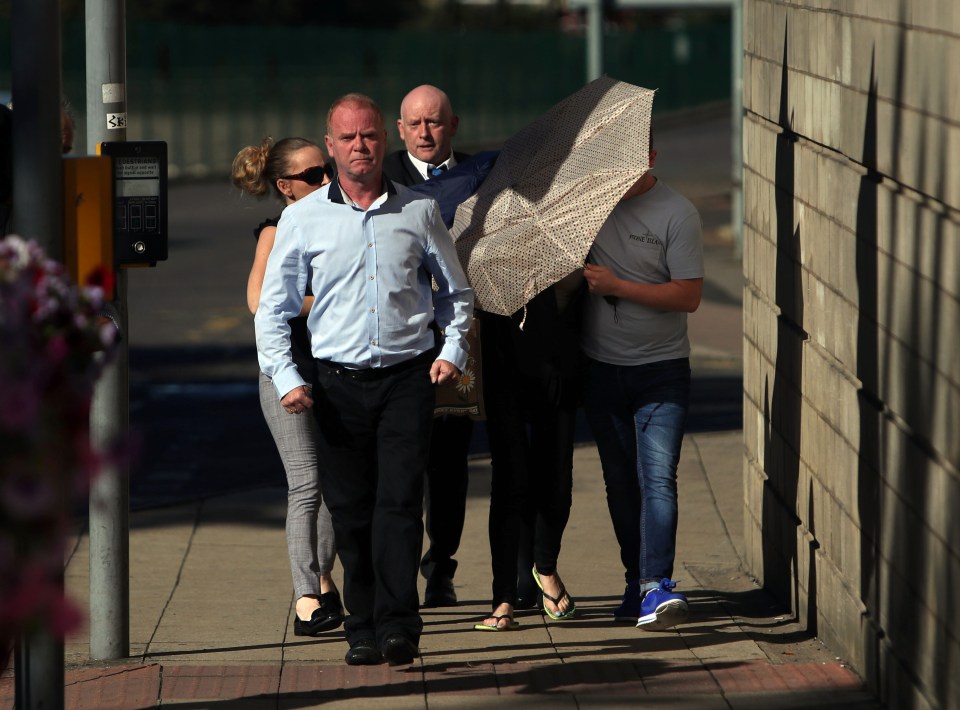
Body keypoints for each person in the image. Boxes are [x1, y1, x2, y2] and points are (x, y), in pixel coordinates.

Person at [254, 93, 474, 667]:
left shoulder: (419, 211)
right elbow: (272, 309)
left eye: (370, 135)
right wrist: (286, 377)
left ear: (386, 140)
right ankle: (362, 624)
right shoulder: (302, 219)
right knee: (350, 511)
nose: (360, 146)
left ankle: (400, 624)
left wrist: (453, 350)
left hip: (406, 377)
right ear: (331, 146)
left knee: (399, 504)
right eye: (348, 137)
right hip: (335, 383)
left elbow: (456, 292)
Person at [581, 135, 704, 631]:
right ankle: (635, 581)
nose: (620, 170)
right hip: (600, 368)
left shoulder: (678, 213)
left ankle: (657, 585)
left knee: (657, 478)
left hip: (661, 369)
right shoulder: (587, 206)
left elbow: (689, 296)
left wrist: (617, 287)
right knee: (619, 483)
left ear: (652, 159)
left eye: (631, 161)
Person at [231, 136, 343, 637]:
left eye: (329, 171)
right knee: (306, 484)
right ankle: (305, 598)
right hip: (287, 371)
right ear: (285, 187)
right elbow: (259, 302)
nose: (327, 181)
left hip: (338, 370)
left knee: (335, 486)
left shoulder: (340, 223)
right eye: (314, 176)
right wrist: (328, 299)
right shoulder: (275, 232)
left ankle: (323, 581)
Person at [382, 84, 473, 608]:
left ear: (452, 125)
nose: (424, 133)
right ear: (400, 129)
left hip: (456, 341)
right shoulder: (383, 177)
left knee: (449, 465)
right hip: (399, 342)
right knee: (398, 466)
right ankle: (396, 578)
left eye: (434, 123)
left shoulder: (479, 178)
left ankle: (441, 566)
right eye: (414, 123)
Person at [474, 274, 584, 631]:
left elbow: (582, 293)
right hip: (501, 360)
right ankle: (502, 599)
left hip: (558, 361)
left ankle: (544, 566)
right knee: (509, 479)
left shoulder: (563, 226)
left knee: (556, 478)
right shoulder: (480, 225)